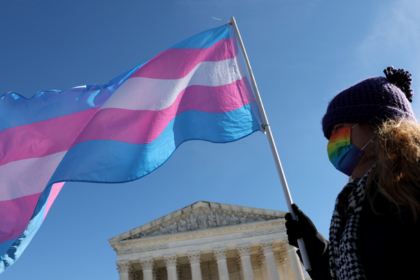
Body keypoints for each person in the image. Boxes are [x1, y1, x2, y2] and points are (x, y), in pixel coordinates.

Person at [285, 66, 420, 280]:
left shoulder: (411, 188)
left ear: (379, 125)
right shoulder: (354, 205)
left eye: (339, 128)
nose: (333, 142)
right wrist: (311, 242)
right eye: (330, 136)